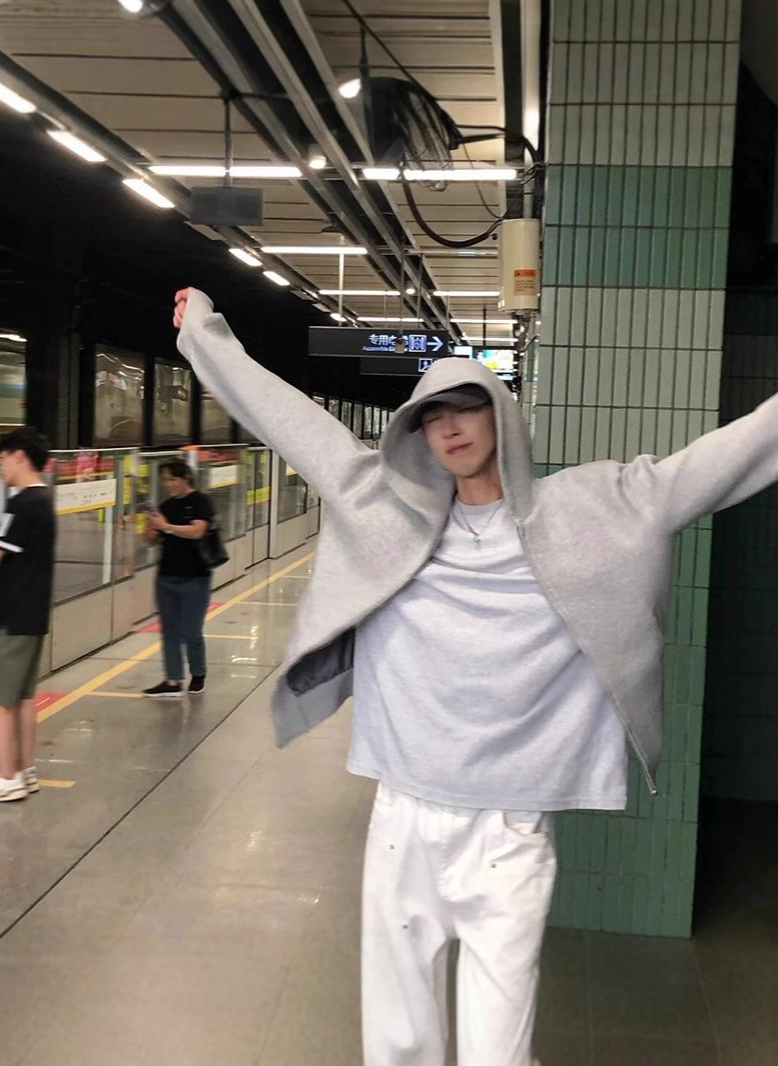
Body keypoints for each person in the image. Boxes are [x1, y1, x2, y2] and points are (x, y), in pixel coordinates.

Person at [172, 286, 778, 1066]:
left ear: (502, 416)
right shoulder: (381, 506)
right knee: (397, 1043)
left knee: (497, 1052)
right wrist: (203, 333)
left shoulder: (596, 509)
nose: (450, 426)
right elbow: (284, 416)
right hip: (403, 816)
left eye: (466, 407)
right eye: (432, 415)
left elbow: (729, 455)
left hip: (510, 831)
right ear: (415, 432)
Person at [0, 427, 55, 804]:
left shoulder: (22, 503)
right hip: (32, 614)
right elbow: (5, 545)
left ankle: (7, 778)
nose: (1, 467)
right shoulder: (43, 501)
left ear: (19, 456)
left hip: (9, 616)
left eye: (3, 459)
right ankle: (24, 770)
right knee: (23, 696)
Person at [142, 459, 212, 697]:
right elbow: (151, 540)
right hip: (166, 577)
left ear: (185, 478)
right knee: (169, 631)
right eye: (164, 480)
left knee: (191, 631)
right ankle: (173, 680)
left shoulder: (200, 502)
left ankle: (198, 673)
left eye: (172, 479)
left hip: (195, 578)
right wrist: (151, 529)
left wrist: (167, 526)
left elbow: (197, 531)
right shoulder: (166, 506)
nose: (168, 484)